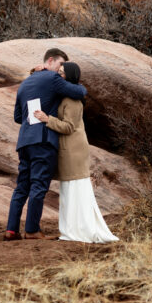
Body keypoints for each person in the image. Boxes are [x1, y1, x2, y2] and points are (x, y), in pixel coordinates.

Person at [4, 48, 87, 241]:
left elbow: (18, 117)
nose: (60, 72)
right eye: (60, 66)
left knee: (21, 187)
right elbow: (79, 91)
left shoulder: (24, 84)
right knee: (39, 185)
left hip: (24, 141)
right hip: (43, 139)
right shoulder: (51, 78)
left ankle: (11, 230)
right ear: (51, 61)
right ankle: (32, 230)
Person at [34, 61, 118, 244]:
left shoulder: (72, 100)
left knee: (75, 190)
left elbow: (69, 127)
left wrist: (47, 119)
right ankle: (72, 228)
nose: (59, 75)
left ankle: (80, 230)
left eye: (63, 73)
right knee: (69, 191)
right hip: (68, 149)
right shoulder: (66, 96)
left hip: (73, 150)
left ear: (70, 76)